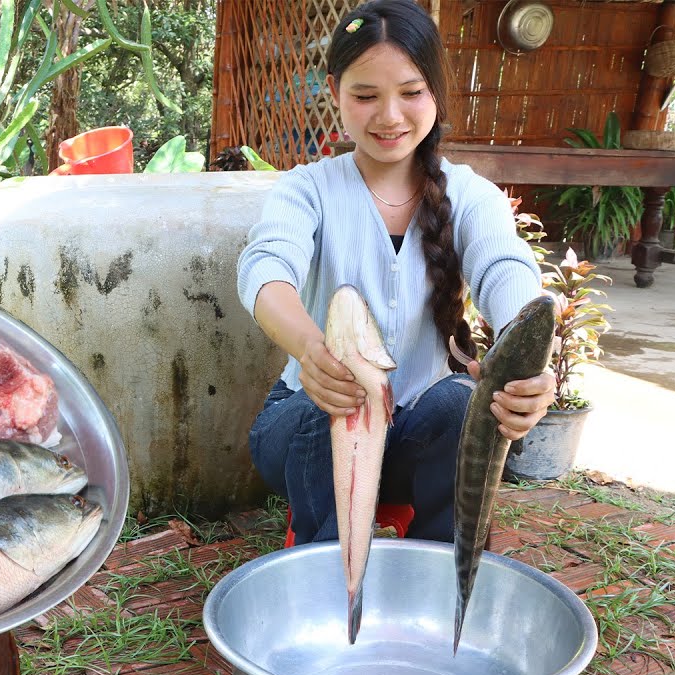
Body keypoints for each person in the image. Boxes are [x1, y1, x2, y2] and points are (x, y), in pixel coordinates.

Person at [236, 0, 555, 545]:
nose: (389, 116)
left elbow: (503, 263)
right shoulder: (306, 189)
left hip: (414, 437)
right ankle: (325, 566)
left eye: (411, 92)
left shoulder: (469, 195)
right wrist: (313, 352)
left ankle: (439, 571)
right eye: (365, 96)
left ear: (437, 92)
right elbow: (266, 267)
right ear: (334, 91)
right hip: (304, 430)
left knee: (461, 400)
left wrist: (524, 359)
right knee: (337, 399)